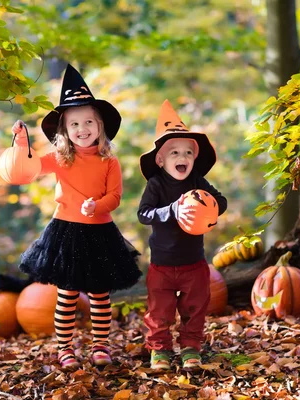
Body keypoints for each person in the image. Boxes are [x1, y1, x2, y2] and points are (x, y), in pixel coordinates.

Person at [12, 64, 142, 370]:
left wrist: (96, 206)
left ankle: (100, 346)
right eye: (75, 125)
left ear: (100, 126)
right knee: (67, 294)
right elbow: (28, 169)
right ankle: (65, 348)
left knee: (99, 294)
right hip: (66, 232)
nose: (82, 129)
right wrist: (20, 143)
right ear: (65, 131)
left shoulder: (109, 160)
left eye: (89, 122)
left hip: (99, 231)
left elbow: (115, 197)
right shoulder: (59, 159)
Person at [137, 100, 228, 371]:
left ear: (194, 159)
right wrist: (172, 210)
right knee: (159, 311)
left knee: (195, 308)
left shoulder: (197, 182)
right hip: (162, 264)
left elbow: (220, 201)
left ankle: (191, 347)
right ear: (161, 160)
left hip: (194, 263)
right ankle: (160, 349)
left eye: (188, 152)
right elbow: (144, 214)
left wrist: (209, 206)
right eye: (174, 152)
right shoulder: (155, 185)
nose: (182, 157)